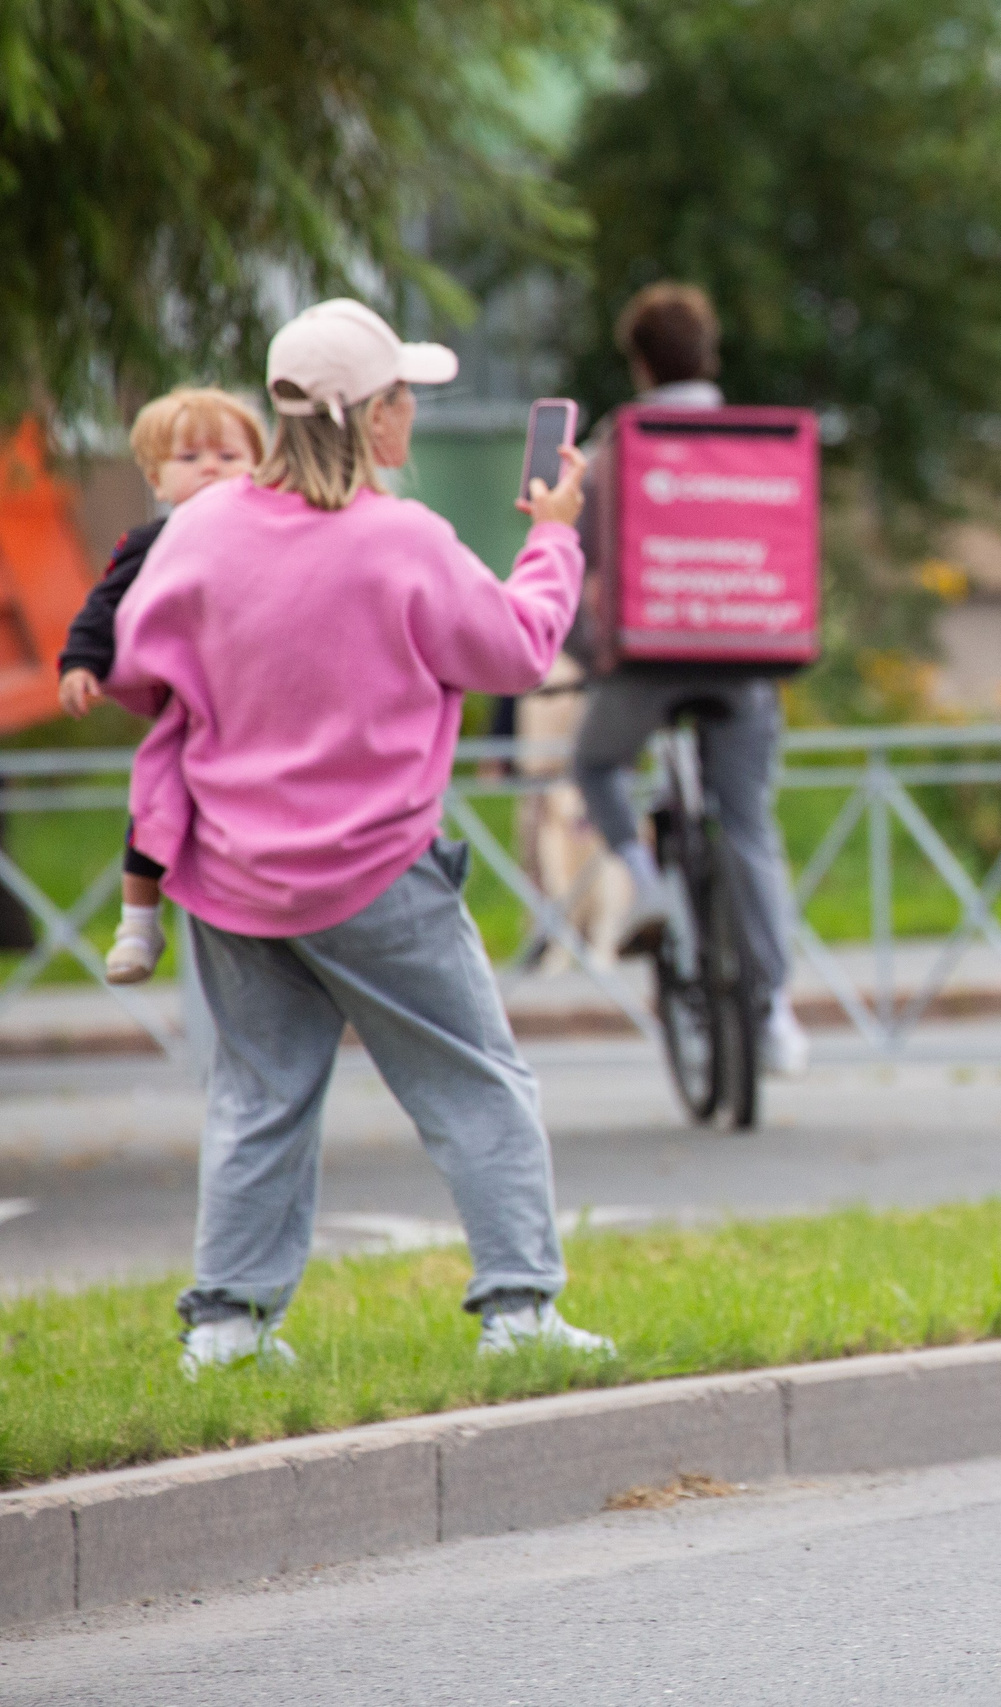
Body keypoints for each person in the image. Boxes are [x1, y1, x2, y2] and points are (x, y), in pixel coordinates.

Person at [106, 298, 613, 1375]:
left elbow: (139, 672)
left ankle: (229, 1329)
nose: (412, 420)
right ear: (375, 419)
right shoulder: (403, 540)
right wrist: (554, 535)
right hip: (377, 869)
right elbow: (518, 652)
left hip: (230, 873)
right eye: (406, 401)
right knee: (475, 1079)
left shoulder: (199, 530)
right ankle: (520, 1312)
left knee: (257, 1096)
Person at [570, 282, 809, 1076]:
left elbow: (573, 567)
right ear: (711, 353)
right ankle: (773, 1011)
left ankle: (645, 885)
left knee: (596, 763)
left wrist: (584, 655)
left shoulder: (617, 449)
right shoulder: (757, 443)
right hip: (744, 665)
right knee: (748, 827)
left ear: (639, 363)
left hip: (644, 664)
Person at [55, 388, 267, 983]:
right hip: (188, 707)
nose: (211, 468)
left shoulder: (271, 533)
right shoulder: (151, 543)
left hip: (255, 699)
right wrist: (82, 664)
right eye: (190, 457)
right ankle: (139, 923)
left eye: (229, 456)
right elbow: (102, 607)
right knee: (156, 798)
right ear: (156, 478)